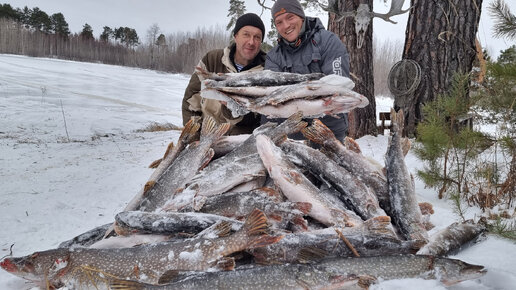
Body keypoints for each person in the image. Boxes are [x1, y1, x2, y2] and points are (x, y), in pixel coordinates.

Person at [263, 0, 351, 140]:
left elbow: (337, 88)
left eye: (290, 17)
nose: (286, 25)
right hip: (288, 132)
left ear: (301, 16)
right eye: (279, 22)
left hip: (327, 131)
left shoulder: (328, 42)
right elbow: (274, 97)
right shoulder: (273, 57)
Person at [182, 13, 266, 135]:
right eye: (246, 35)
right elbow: (191, 100)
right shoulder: (212, 59)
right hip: (205, 137)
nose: (251, 42)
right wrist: (194, 137)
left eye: (257, 37)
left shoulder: (266, 71)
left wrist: (235, 109)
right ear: (236, 36)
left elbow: (261, 116)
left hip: (240, 145)